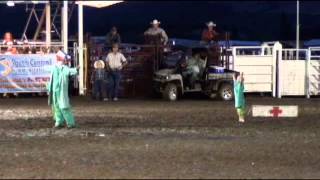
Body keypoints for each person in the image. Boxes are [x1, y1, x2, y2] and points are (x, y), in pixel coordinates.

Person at [47, 50, 79, 129]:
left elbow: (70, 71)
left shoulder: (63, 68)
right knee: (57, 107)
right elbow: (52, 79)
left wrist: (75, 69)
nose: (65, 61)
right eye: (64, 59)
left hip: (60, 91)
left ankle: (70, 123)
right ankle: (59, 122)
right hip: (55, 91)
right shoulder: (55, 68)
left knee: (64, 107)